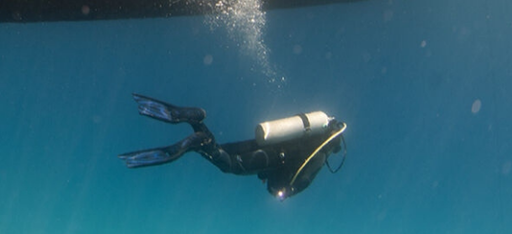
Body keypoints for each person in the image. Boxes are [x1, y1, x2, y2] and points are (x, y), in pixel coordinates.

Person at [118, 94, 347, 199]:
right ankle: (199, 141)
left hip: (262, 143)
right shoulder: (320, 153)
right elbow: (303, 179)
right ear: (334, 144)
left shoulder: (308, 134)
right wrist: (287, 192)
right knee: (230, 165)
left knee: (222, 150)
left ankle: (196, 119)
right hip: (272, 155)